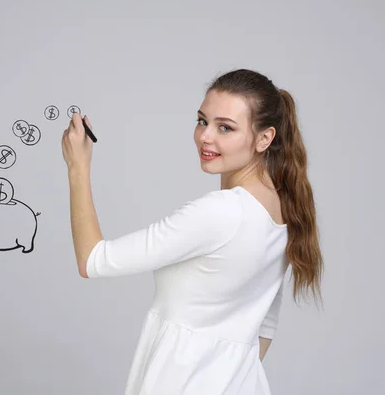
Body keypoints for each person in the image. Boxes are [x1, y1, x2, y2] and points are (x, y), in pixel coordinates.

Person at [61, 68, 324, 394]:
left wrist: (77, 166)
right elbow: (265, 325)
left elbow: (94, 260)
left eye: (225, 128)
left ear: (264, 138)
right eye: (202, 121)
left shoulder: (219, 212)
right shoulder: (282, 209)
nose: (205, 137)